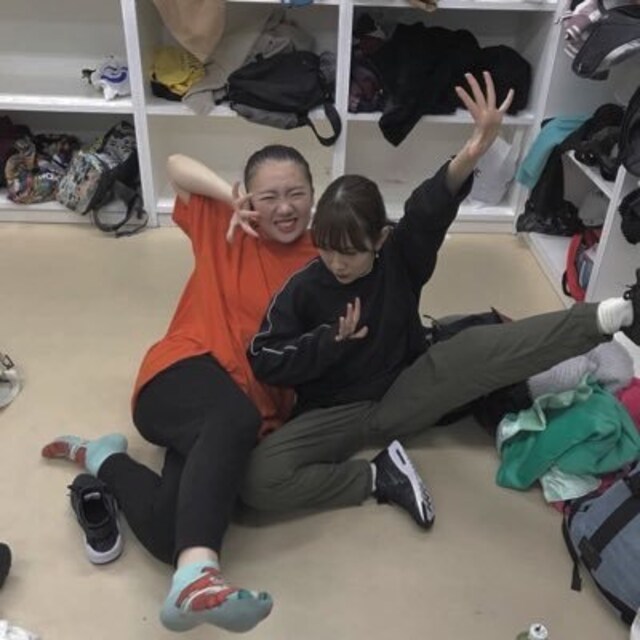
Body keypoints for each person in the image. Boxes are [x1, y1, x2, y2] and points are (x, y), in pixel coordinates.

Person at [241, 71, 640, 528]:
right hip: (337, 414)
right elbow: (264, 358)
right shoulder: (304, 287)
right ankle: (379, 477)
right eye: (327, 249)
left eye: (349, 252)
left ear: (379, 239)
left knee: (479, 347)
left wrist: (474, 150)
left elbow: (427, 210)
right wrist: (328, 342)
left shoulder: (398, 257)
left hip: (408, 386)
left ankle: (613, 316)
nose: (337, 263)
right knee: (257, 480)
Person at [40, 145, 318, 634]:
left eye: (296, 193)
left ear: (313, 195)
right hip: (181, 373)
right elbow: (174, 165)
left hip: (233, 419)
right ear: (249, 198)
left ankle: (103, 458)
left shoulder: (322, 261)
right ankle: (198, 575)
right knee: (234, 417)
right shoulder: (227, 226)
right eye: (269, 196)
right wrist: (229, 198)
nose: (284, 207)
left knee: (169, 531)